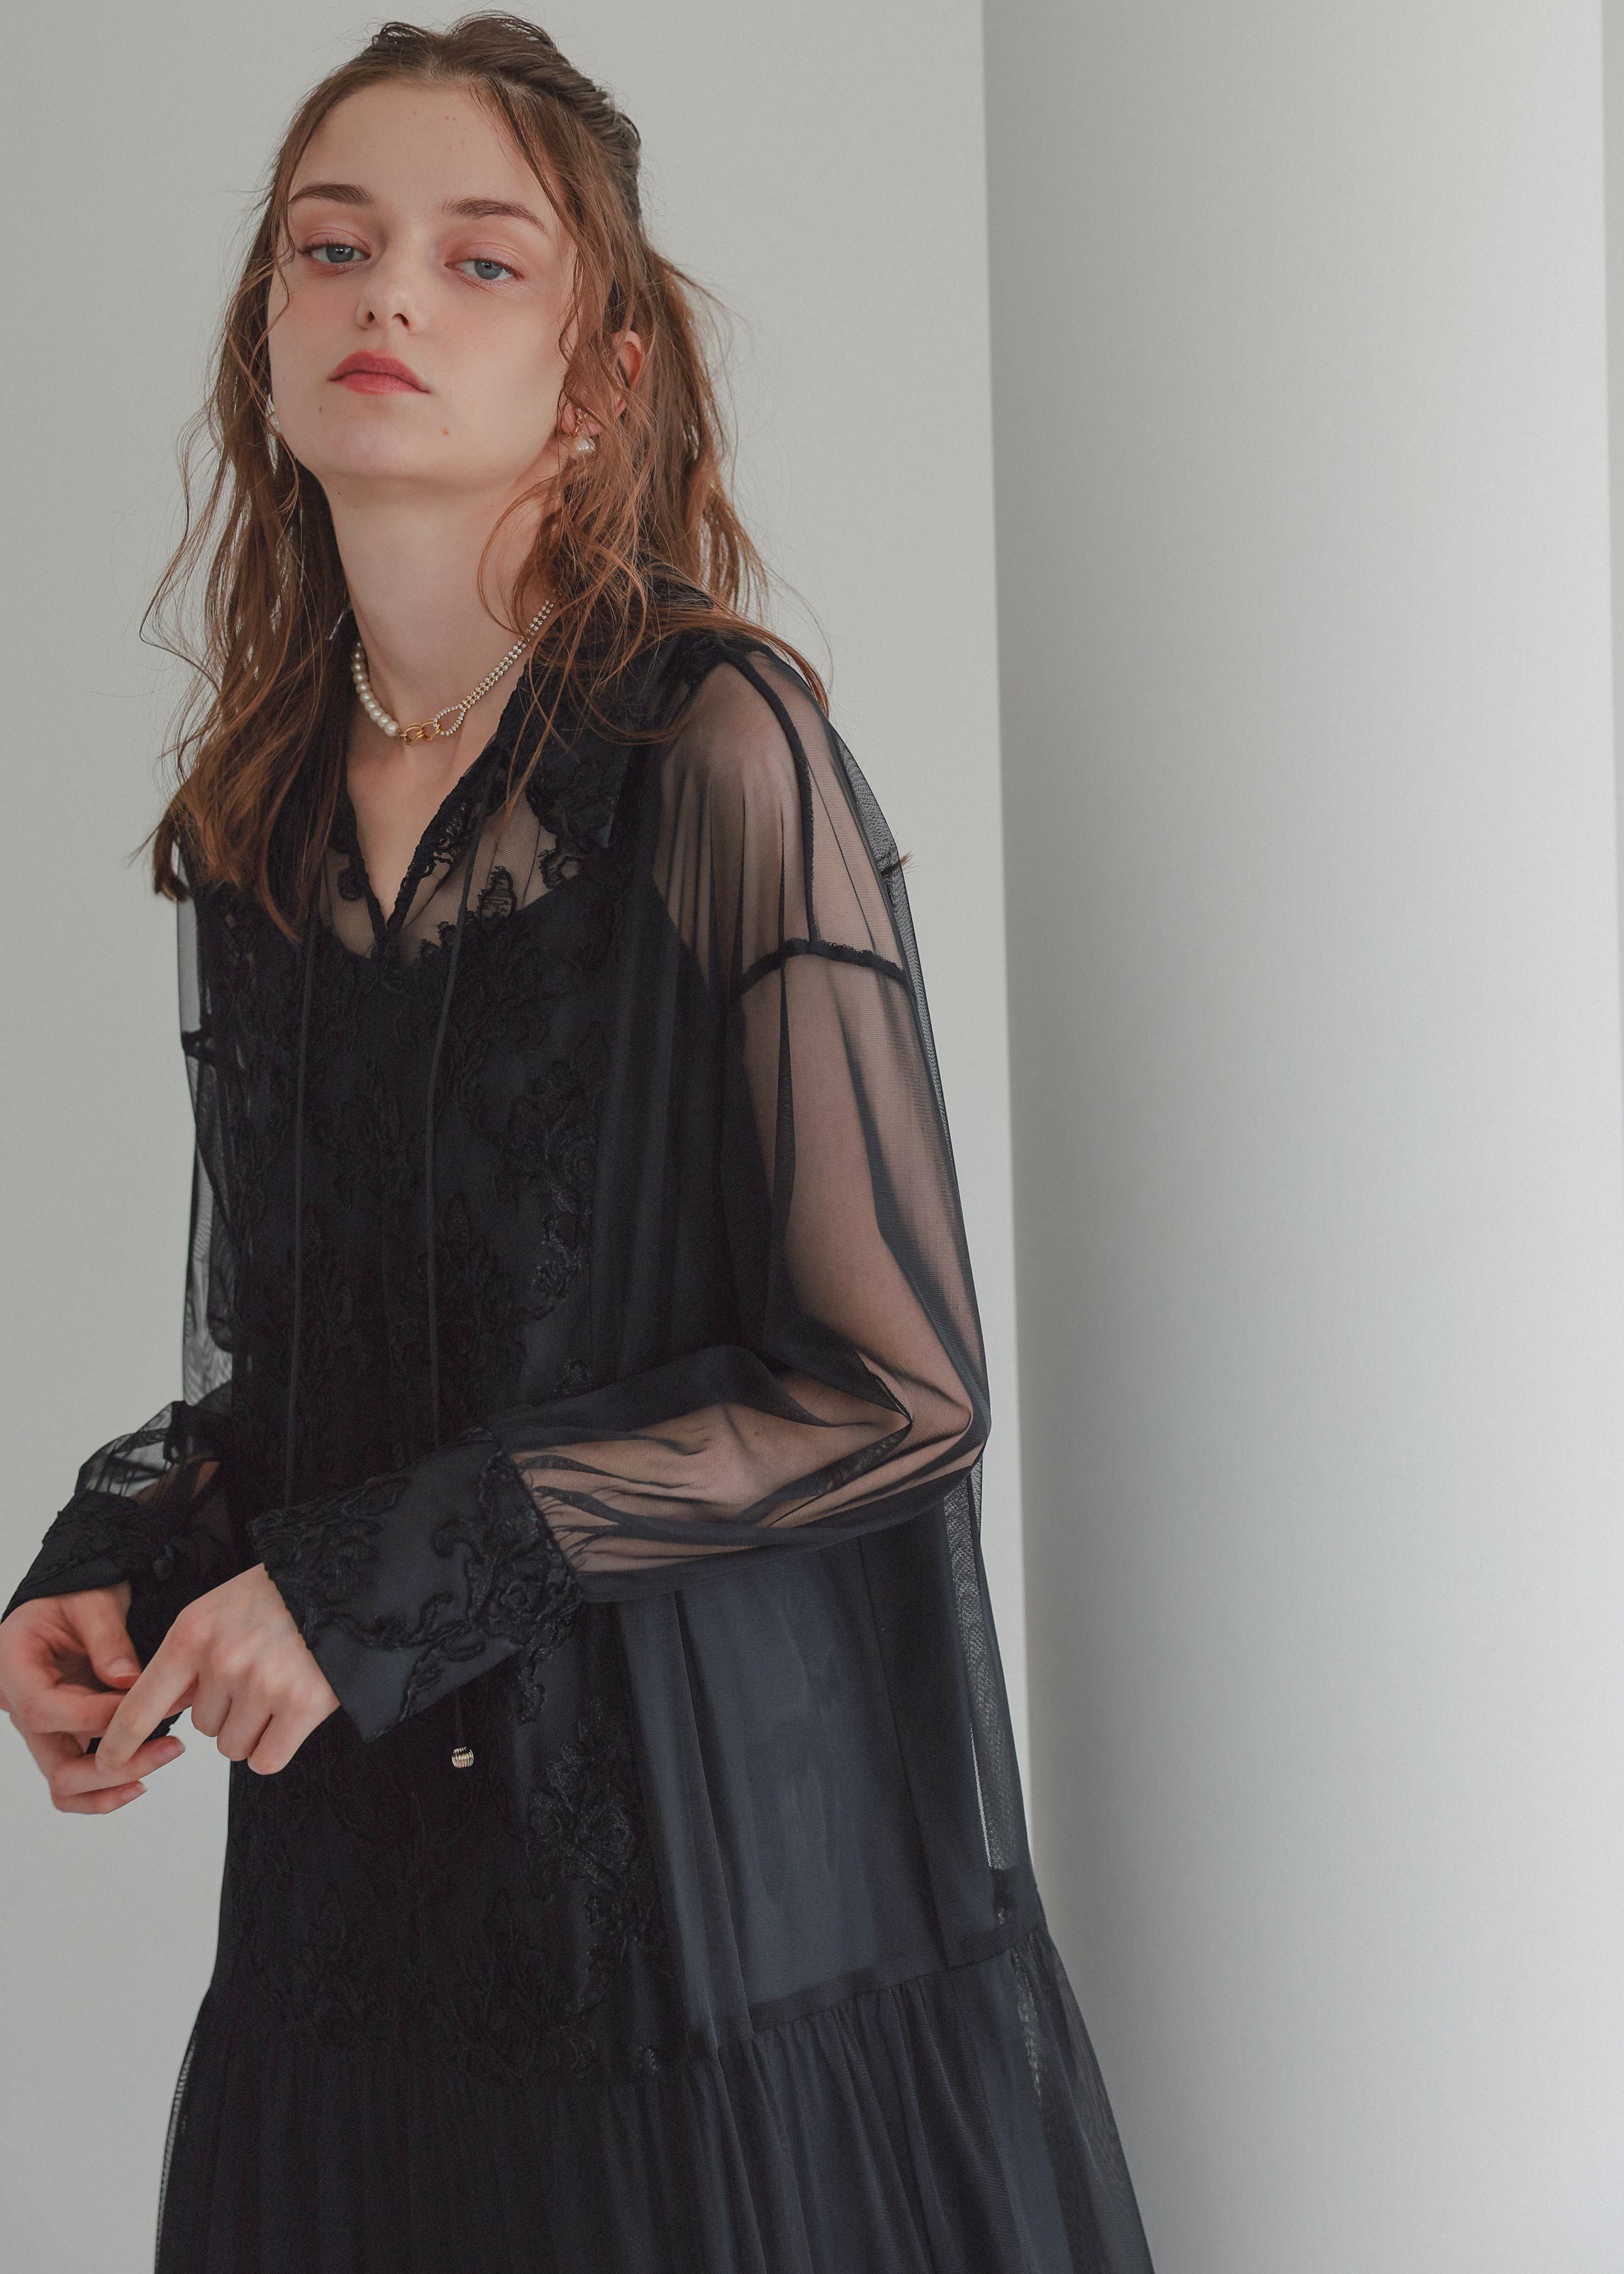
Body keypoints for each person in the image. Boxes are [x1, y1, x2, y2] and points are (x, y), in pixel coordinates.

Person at [0, 16, 1157, 2271]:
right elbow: (329, 1363)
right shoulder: (257, 820)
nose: (386, 295)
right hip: (360, 1914)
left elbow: (892, 1386)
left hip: (690, 1906)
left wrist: (371, 1585)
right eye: (329, 248)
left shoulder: (716, 745)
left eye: (480, 259)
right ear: (264, 338)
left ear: (602, 376)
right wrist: (118, 1561)